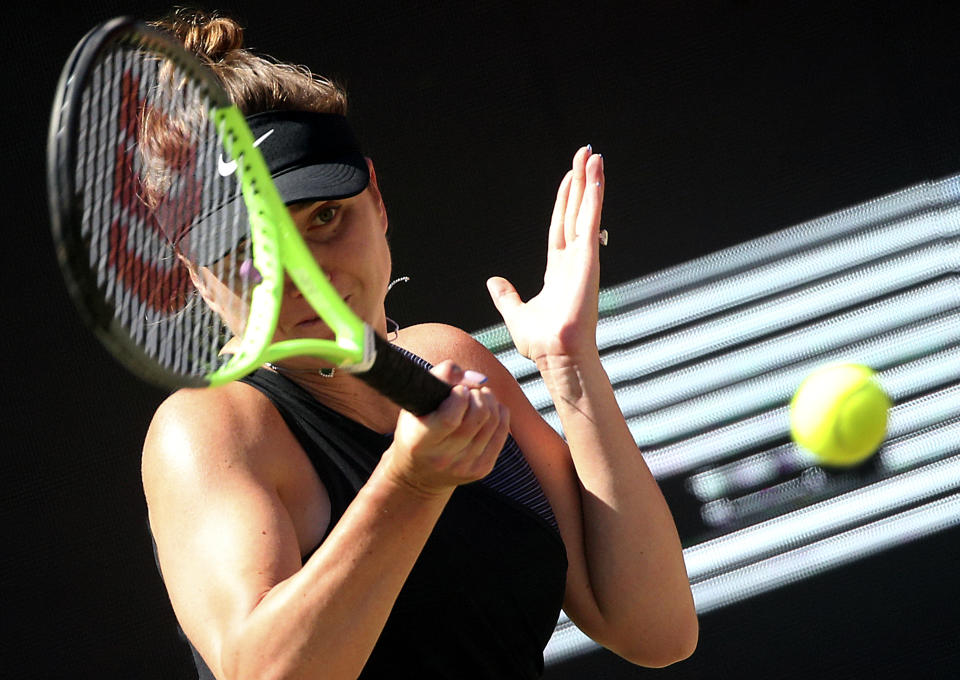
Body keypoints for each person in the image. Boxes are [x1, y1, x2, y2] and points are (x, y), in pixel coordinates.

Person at [141, 9, 698, 680]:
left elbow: (655, 628)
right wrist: (411, 483)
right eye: (252, 248)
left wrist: (569, 368)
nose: (307, 275)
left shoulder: (451, 360)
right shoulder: (208, 431)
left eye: (324, 217)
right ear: (197, 275)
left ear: (375, 199)